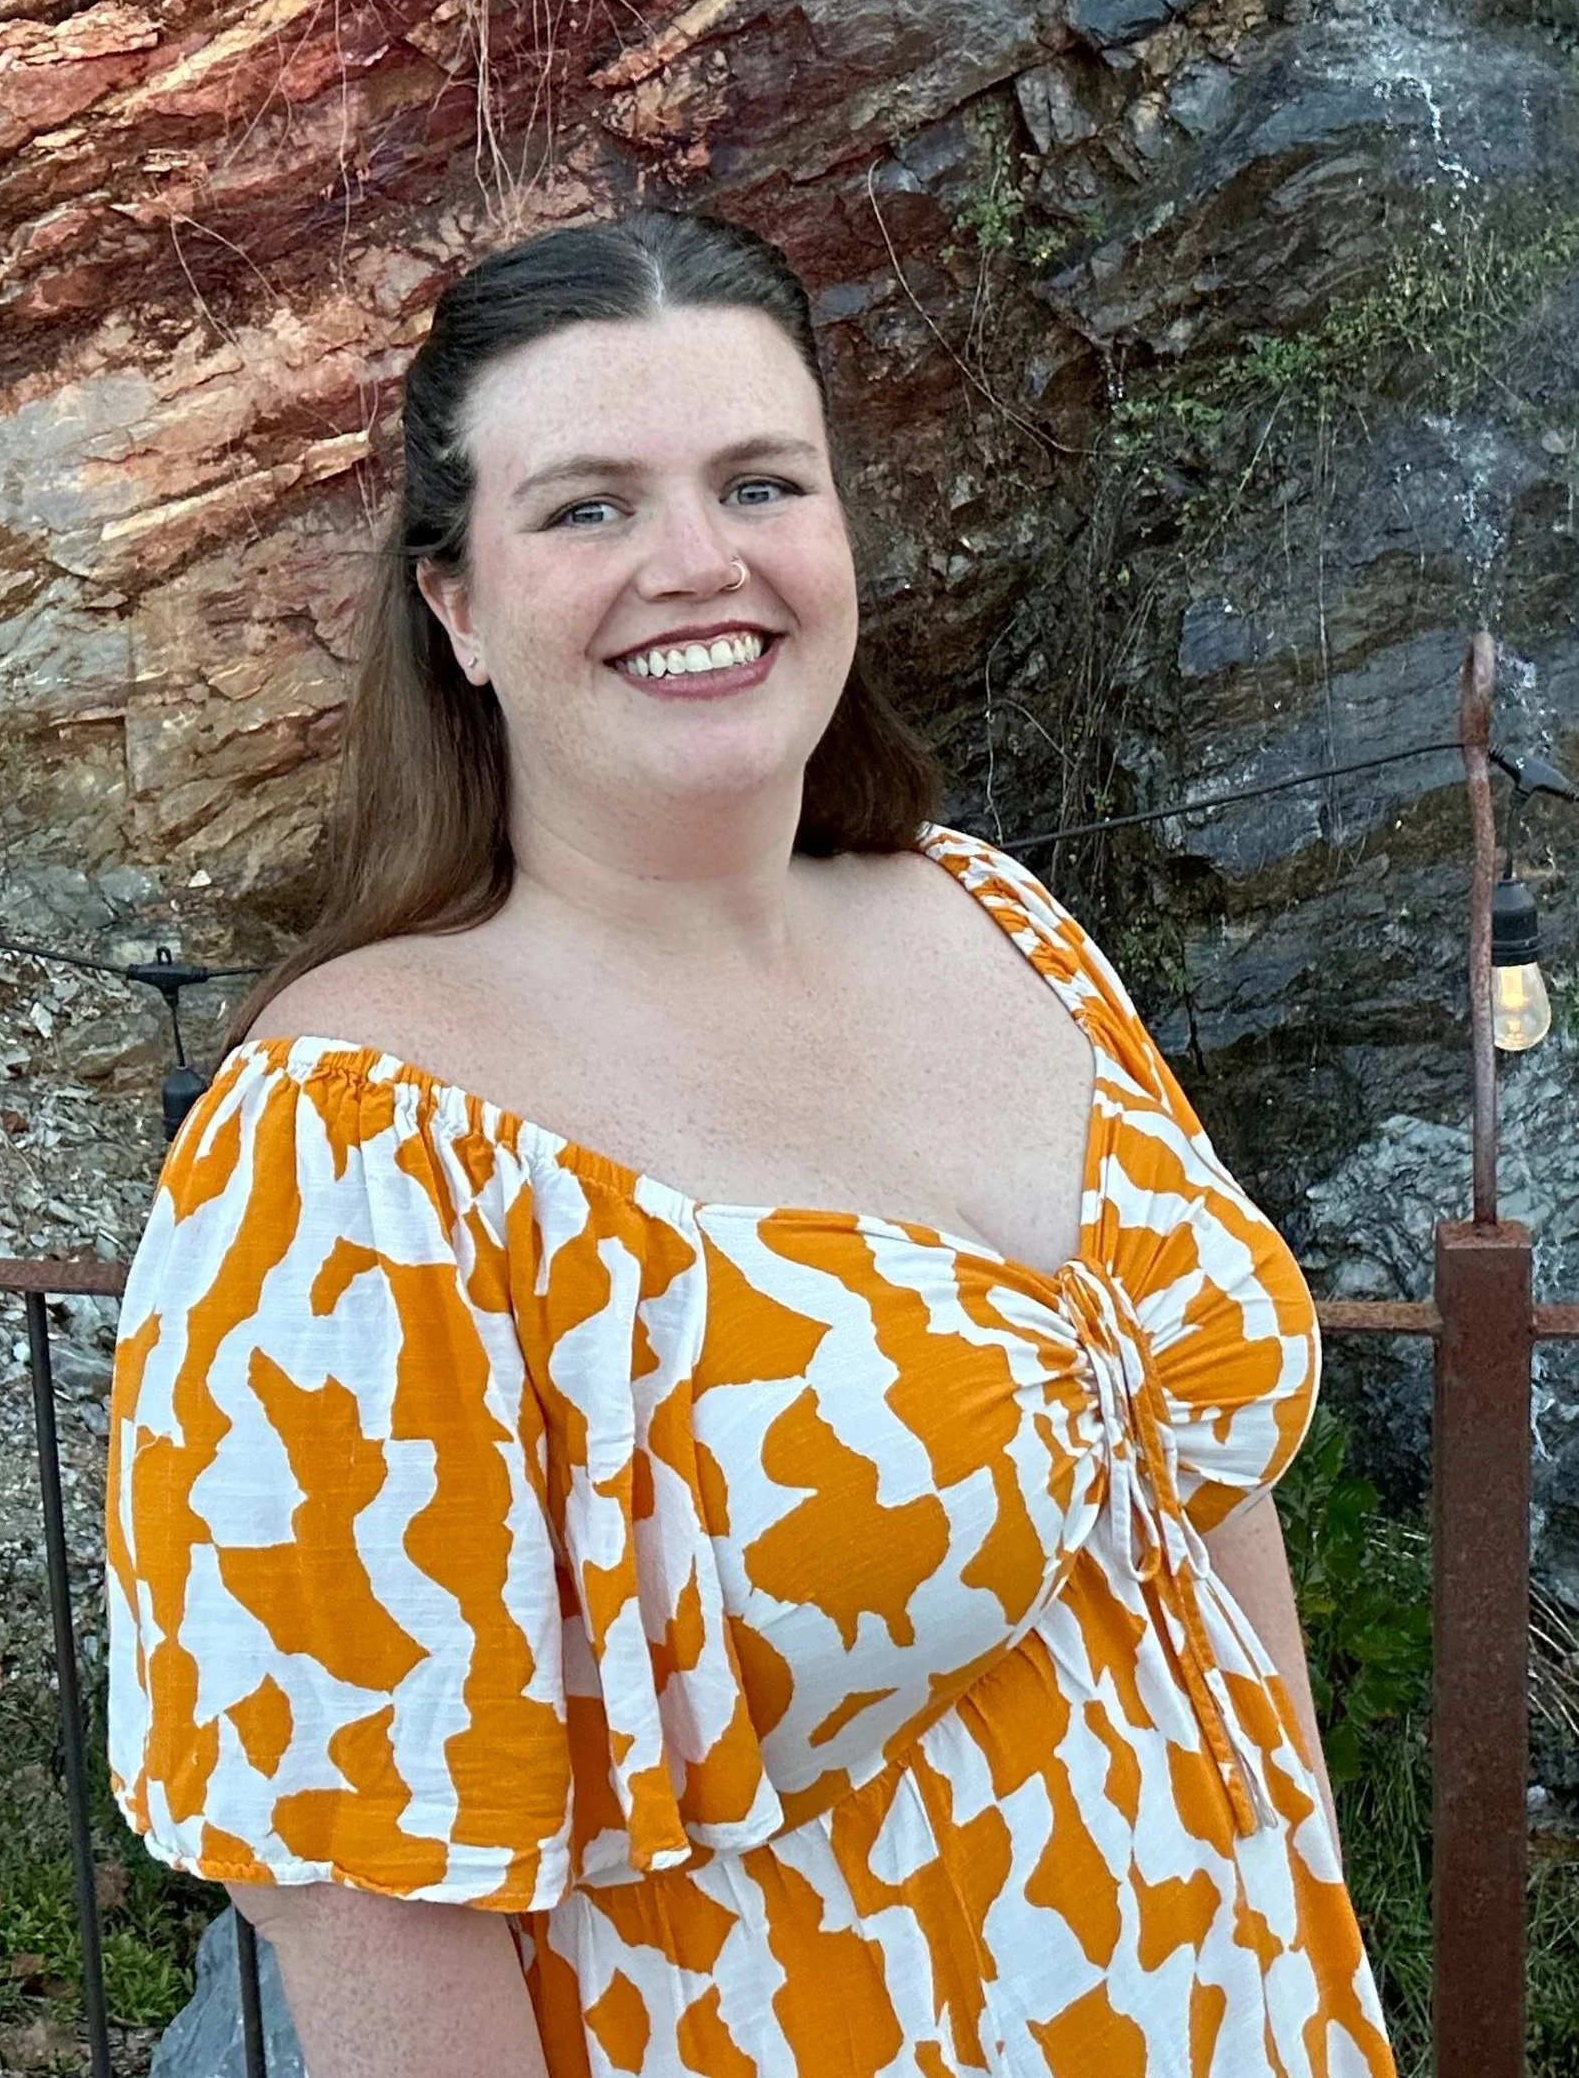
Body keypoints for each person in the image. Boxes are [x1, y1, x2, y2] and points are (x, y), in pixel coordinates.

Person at [105, 210, 1396, 2077]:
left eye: (757, 480)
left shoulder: (1005, 923)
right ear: (453, 604)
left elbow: (1197, 1515)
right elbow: (367, 1902)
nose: (695, 562)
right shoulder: (358, 1147)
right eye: (586, 508)